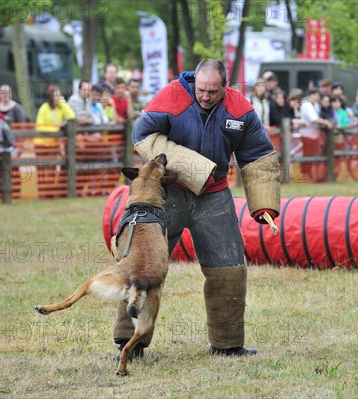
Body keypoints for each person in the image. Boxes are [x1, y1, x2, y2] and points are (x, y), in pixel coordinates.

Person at [119, 58, 280, 359]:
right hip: (168, 193)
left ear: (225, 87)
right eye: (201, 90)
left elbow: (258, 153)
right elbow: (143, 135)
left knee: (228, 268)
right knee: (144, 266)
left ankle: (228, 343)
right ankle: (130, 344)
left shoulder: (240, 109)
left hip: (215, 195)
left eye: (213, 91)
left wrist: (265, 203)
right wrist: (191, 168)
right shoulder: (170, 97)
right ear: (195, 82)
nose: (205, 96)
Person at [34, 85, 76, 199]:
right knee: (42, 171)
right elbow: (40, 127)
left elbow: (71, 116)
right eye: (56, 95)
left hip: (53, 145)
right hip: (41, 144)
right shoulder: (44, 108)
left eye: (60, 95)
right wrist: (56, 129)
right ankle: (42, 195)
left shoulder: (60, 108)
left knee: (52, 170)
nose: (58, 97)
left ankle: (50, 193)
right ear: (51, 96)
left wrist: (63, 102)